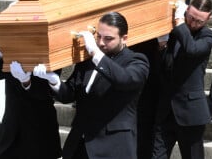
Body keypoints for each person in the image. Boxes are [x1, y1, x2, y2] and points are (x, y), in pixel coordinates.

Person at [34, 12, 149, 159]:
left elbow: (124, 80)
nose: (101, 43)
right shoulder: (89, 60)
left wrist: (95, 54)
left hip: (113, 147)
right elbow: (69, 94)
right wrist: (53, 80)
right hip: (80, 143)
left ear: (124, 38)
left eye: (108, 39)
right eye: (98, 36)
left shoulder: (136, 61)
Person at [131, 0, 191, 159]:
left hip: (165, 40)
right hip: (140, 39)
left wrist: (168, 33)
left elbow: (182, 0)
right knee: (142, 99)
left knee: (159, 96)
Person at [151, 0, 212, 159]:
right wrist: (162, 47)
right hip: (166, 109)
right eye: (191, 17)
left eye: (199, 21)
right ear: (187, 10)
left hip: (191, 113)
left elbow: (191, 49)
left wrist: (180, 21)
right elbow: (165, 65)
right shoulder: (175, 31)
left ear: (209, 18)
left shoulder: (207, 37)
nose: (193, 23)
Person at [0, 51, 62, 159]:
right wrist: (2, 49)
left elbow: (46, 92)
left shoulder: (50, 50)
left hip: (40, 134)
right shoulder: (13, 53)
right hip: (11, 134)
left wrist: (26, 81)